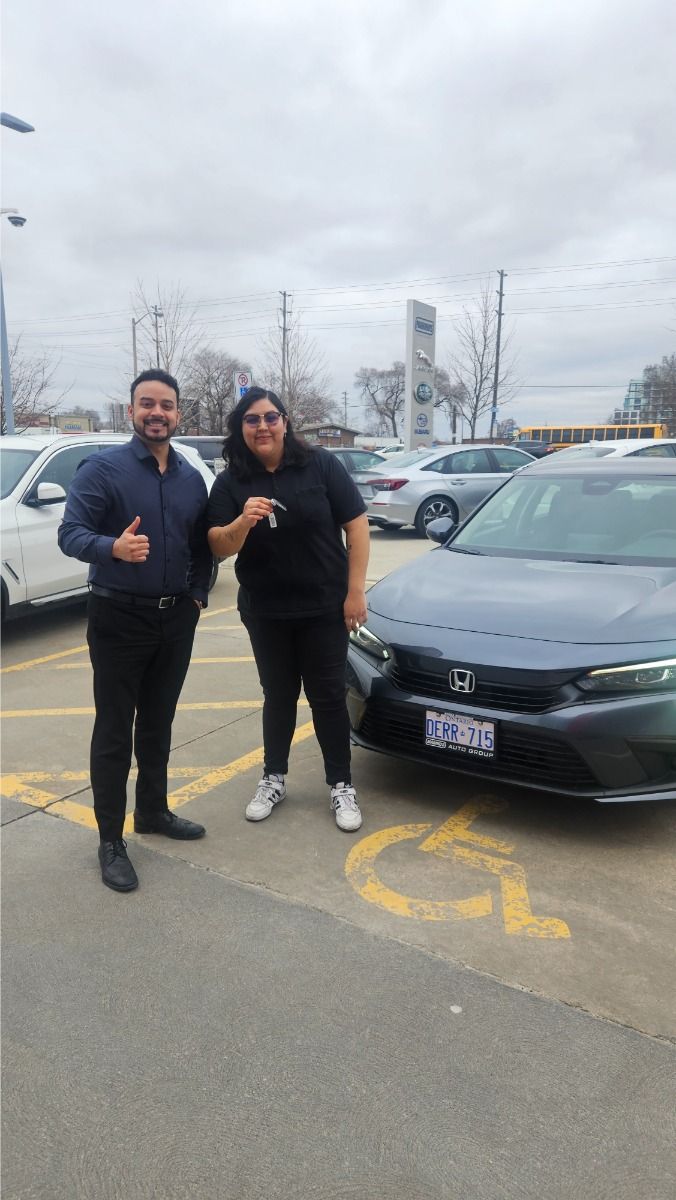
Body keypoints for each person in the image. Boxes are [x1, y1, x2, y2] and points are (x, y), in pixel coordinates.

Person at [58, 369, 213, 893]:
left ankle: (152, 811)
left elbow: (201, 545)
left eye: (166, 405)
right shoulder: (103, 469)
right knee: (114, 729)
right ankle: (110, 840)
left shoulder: (190, 477)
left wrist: (197, 594)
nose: (157, 413)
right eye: (147, 404)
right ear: (131, 411)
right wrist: (112, 548)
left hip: (176, 618)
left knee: (158, 722)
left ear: (178, 413)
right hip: (118, 619)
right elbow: (70, 533)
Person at [207, 387, 370, 831]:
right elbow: (218, 545)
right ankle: (273, 778)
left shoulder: (320, 465)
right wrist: (242, 520)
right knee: (277, 696)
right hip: (266, 611)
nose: (262, 426)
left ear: (285, 422)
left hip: (324, 608)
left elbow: (357, 526)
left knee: (328, 697)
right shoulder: (231, 481)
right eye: (251, 420)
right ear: (240, 429)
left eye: (270, 417)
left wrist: (355, 591)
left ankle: (341, 784)